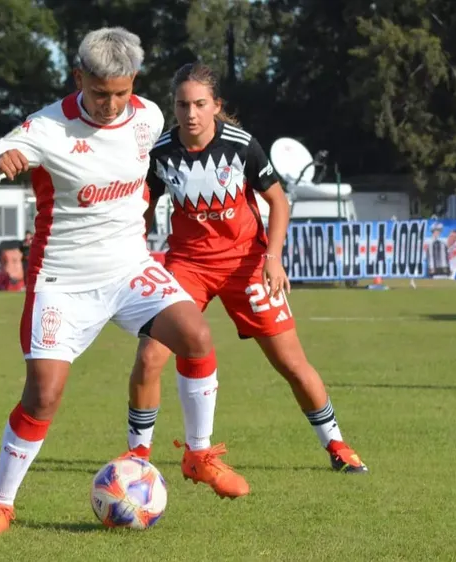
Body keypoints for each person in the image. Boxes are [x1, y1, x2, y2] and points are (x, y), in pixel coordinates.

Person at [0, 27, 224, 535]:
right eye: (100, 92)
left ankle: (198, 455)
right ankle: (0, 505)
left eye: (121, 92)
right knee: (43, 396)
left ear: (135, 83)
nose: (111, 104)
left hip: (130, 268)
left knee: (196, 336)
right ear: (79, 77)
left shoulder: (147, 116)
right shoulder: (45, 129)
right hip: (62, 280)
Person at [127, 62, 367, 495]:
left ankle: (337, 445)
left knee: (291, 364)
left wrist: (273, 258)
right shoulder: (161, 153)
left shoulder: (242, 146)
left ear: (216, 106)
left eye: (200, 104)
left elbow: (279, 203)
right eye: (182, 104)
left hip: (246, 265)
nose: (191, 113)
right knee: (149, 358)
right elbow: (143, 207)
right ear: (174, 107)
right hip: (187, 267)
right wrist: (136, 252)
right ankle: (136, 460)